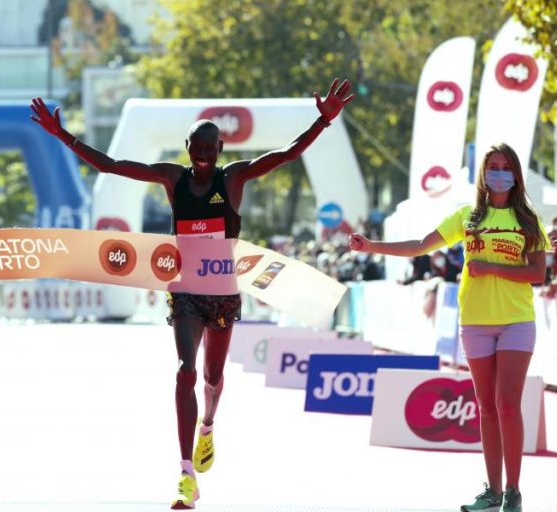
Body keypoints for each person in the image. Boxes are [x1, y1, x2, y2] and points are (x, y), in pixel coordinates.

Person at [30, 79, 354, 510]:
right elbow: (110, 166)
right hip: (185, 295)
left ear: (220, 148)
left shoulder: (234, 178)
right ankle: (186, 475)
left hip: (223, 297)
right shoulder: (171, 178)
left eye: (209, 149)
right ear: (187, 147)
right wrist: (62, 135)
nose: (202, 157)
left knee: (213, 379)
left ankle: (208, 424)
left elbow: (287, 154)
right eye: (195, 149)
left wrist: (323, 121)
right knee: (185, 370)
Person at [349, 143, 549, 512]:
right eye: (493, 166)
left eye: (506, 166)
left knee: (507, 404)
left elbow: (538, 272)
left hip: (516, 321)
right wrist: (371, 245)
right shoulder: (468, 217)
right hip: (474, 322)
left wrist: (492, 268)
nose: (499, 172)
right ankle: (492, 490)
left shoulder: (527, 220)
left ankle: (514, 491)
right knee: (486, 408)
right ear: (484, 173)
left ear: (516, 174)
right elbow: (421, 246)